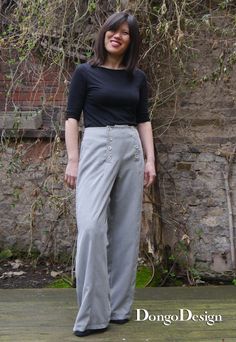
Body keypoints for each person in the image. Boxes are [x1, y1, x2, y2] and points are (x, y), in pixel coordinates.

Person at [64, 11, 156, 337]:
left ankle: (118, 308)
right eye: (113, 30)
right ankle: (92, 314)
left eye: (125, 33)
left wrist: (150, 160)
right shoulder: (85, 73)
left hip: (130, 147)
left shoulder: (137, 78)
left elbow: (143, 119)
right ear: (104, 33)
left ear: (131, 41)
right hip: (96, 146)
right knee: (90, 227)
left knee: (126, 230)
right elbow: (72, 118)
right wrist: (73, 160)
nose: (117, 35)